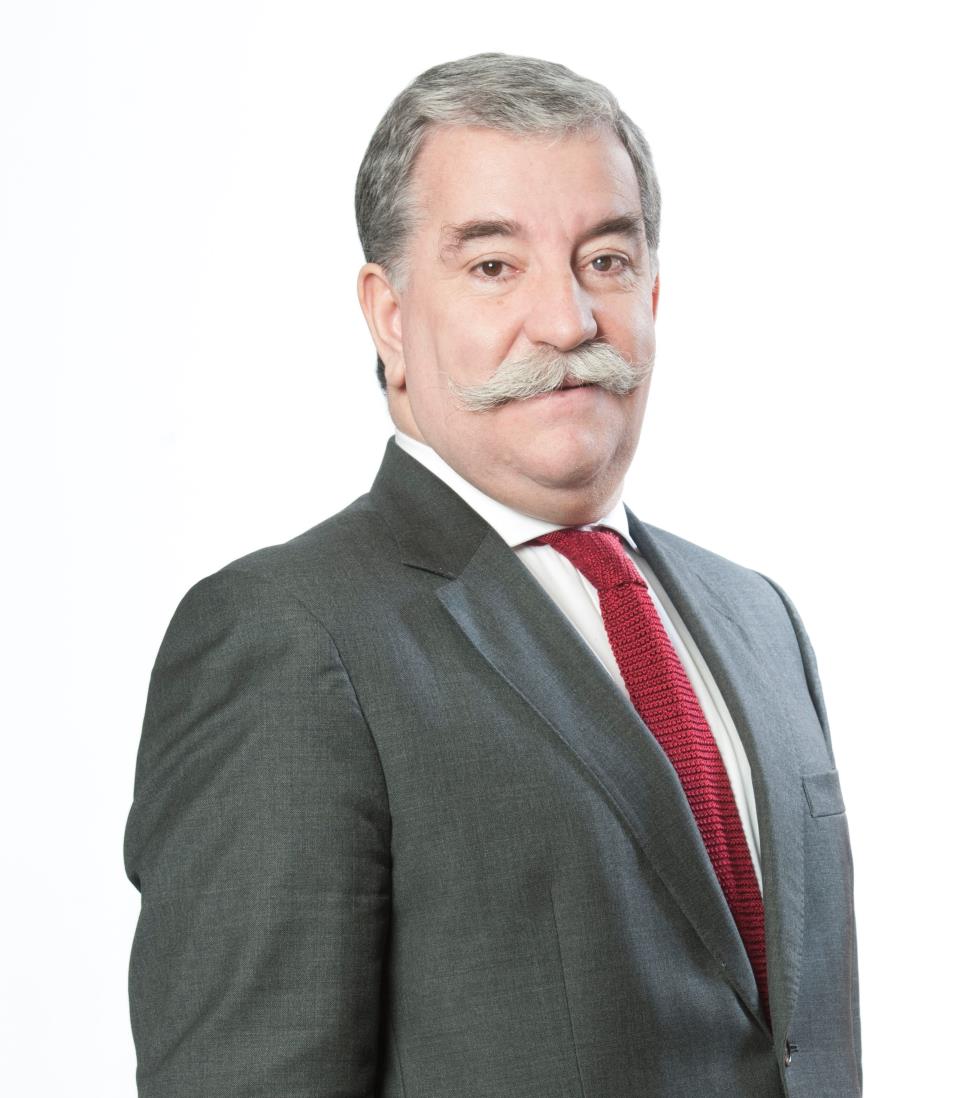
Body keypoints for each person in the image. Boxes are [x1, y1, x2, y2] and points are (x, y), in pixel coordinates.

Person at [124, 52, 862, 1098]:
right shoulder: (289, 639)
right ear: (389, 315)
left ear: (654, 292)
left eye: (605, 260)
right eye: (492, 266)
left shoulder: (758, 621)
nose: (567, 321)